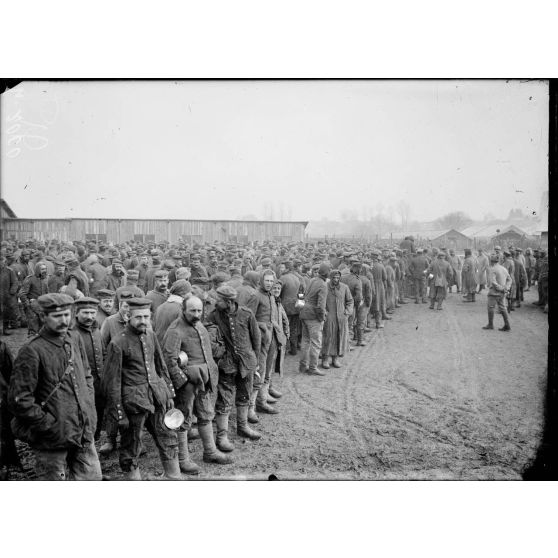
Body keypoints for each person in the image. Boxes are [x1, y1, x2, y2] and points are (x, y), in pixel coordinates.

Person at [8, 293, 102, 480]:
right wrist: (47, 425)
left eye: (67, 315)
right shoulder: (32, 350)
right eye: (57, 316)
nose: (64, 320)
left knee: (92, 478)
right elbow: (19, 399)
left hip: (82, 430)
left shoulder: (74, 339)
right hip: (51, 438)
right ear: (43, 317)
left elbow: (87, 375)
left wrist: (88, 408)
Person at [102, 297, 180, 480]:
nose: (143, 321)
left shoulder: (150, 335)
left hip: (157, 397)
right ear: (128, 316)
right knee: (132, 445)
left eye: (146, 316)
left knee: (167, 436)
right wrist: (119, 414)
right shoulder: (118, 343)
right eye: (138, 317)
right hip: (134, 402)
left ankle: (174, 477)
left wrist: (168, 392)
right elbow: (111, 383)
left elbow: (161, 366)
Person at [162, 296, 233, 474]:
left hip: (203, 381)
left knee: (206, 414)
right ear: (183, 310)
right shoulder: (175, 330)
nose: (196, 314)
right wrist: (183, 382)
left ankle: (210, 451)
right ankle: (183, 459)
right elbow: (169, 361)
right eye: (192, 310)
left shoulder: (200, 326)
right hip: (186, 385)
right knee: (182, 419)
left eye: (199, 311)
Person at [207, 285, 262, 452]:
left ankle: (243, 427)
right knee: (224, 399)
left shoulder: (246, 314)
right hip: (227, 365)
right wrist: (221, 355)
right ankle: (222, 436)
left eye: (219, 300)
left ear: (229, 301)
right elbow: (209, 338)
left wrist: (255, 360)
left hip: (246, 363)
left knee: (245, 394)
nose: (216, 302)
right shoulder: (214, 316)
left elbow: (256, 338)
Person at [73, 297, 105, 442]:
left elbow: (103, 352)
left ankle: (95, 437)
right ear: (76, 313)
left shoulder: (96, 329)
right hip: (81, 383)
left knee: (99, 411)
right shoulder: (72, 332)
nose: (90, 317)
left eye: (93, 313)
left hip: (98, 381)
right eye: (85, 313)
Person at [299, 263, 329, 376]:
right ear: (326, 273)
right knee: (316, 343)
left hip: (304, 312)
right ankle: (313, 368)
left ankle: (303, 366)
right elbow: (321, 306)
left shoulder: (312, 280)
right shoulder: (323, 285)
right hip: (313, 316)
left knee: (305, 341)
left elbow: (303, 294)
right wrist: (321, 318)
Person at [321, 269, 354, 369]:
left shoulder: (344, 287)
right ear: (330, 278)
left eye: (337, 278)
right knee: (328, 338)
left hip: (341, 317)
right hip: (329, 318)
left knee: (339, 337)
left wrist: (347, 312)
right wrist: (324, 312)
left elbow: (350, 301)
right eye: (334, 277)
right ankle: (325, 359)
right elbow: (320, 301)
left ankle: (335, 359)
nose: (336, 279)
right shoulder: (325, 287)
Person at [153, 279, 191, 345]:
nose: (191, 295)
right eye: (189, 292)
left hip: (158, 347)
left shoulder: (160, 307)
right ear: (183, 293)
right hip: (171, 347)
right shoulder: (181, 309)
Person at [483, 254, 512, 331]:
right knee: (503, 308)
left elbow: (493, 282)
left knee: (491, 308)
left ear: (491, 261)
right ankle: (507, 325)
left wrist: (502, 289)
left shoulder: (492, 269)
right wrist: (506, 288)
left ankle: (490, 324)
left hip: (494, 293)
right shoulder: (504, 269)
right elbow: (509, 279)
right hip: (502, 293)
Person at [279, 262, 303, 355]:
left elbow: (278, 294)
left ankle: (284, 351)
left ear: (287, 268)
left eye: (282, 267)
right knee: (294, 328)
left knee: (284, 328)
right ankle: (294, 349)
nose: (281, 269)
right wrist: (300, 307)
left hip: (285, 308)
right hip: (296, 307)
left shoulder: (283, 278)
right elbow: (301, 293)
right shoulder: (297, 278)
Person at [20, 262, 50, 336]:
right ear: (37, 269)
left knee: (43, 330)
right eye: (42, 269)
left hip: (42, 308)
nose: (44, 271)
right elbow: (22, 294)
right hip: (32, 309)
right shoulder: (30, 279)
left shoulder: (45, 279)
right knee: (33, 331)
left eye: (45, 269)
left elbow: (47, 293)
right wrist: (28, 305)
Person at [0, 255, 19, 336]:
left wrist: (11, 293)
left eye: (2, 262)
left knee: (6, 313)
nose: (1, 264)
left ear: (5, 263)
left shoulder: (10, 271)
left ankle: (6, 328)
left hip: (6, 296)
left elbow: (15, 282)